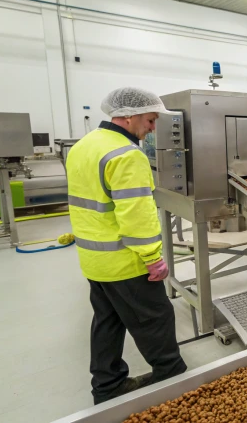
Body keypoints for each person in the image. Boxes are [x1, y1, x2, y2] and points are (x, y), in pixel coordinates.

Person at [66, 87, 187, 404]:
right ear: (129, 116)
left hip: (94, 260)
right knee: (156, 319)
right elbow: (136, 216)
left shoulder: (83, 146)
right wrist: (153, 258)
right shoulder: (126, 155)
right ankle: (171, 381)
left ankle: (107, 386)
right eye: (149, 120)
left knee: (108, 320)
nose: (152, 128)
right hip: (126, 261)